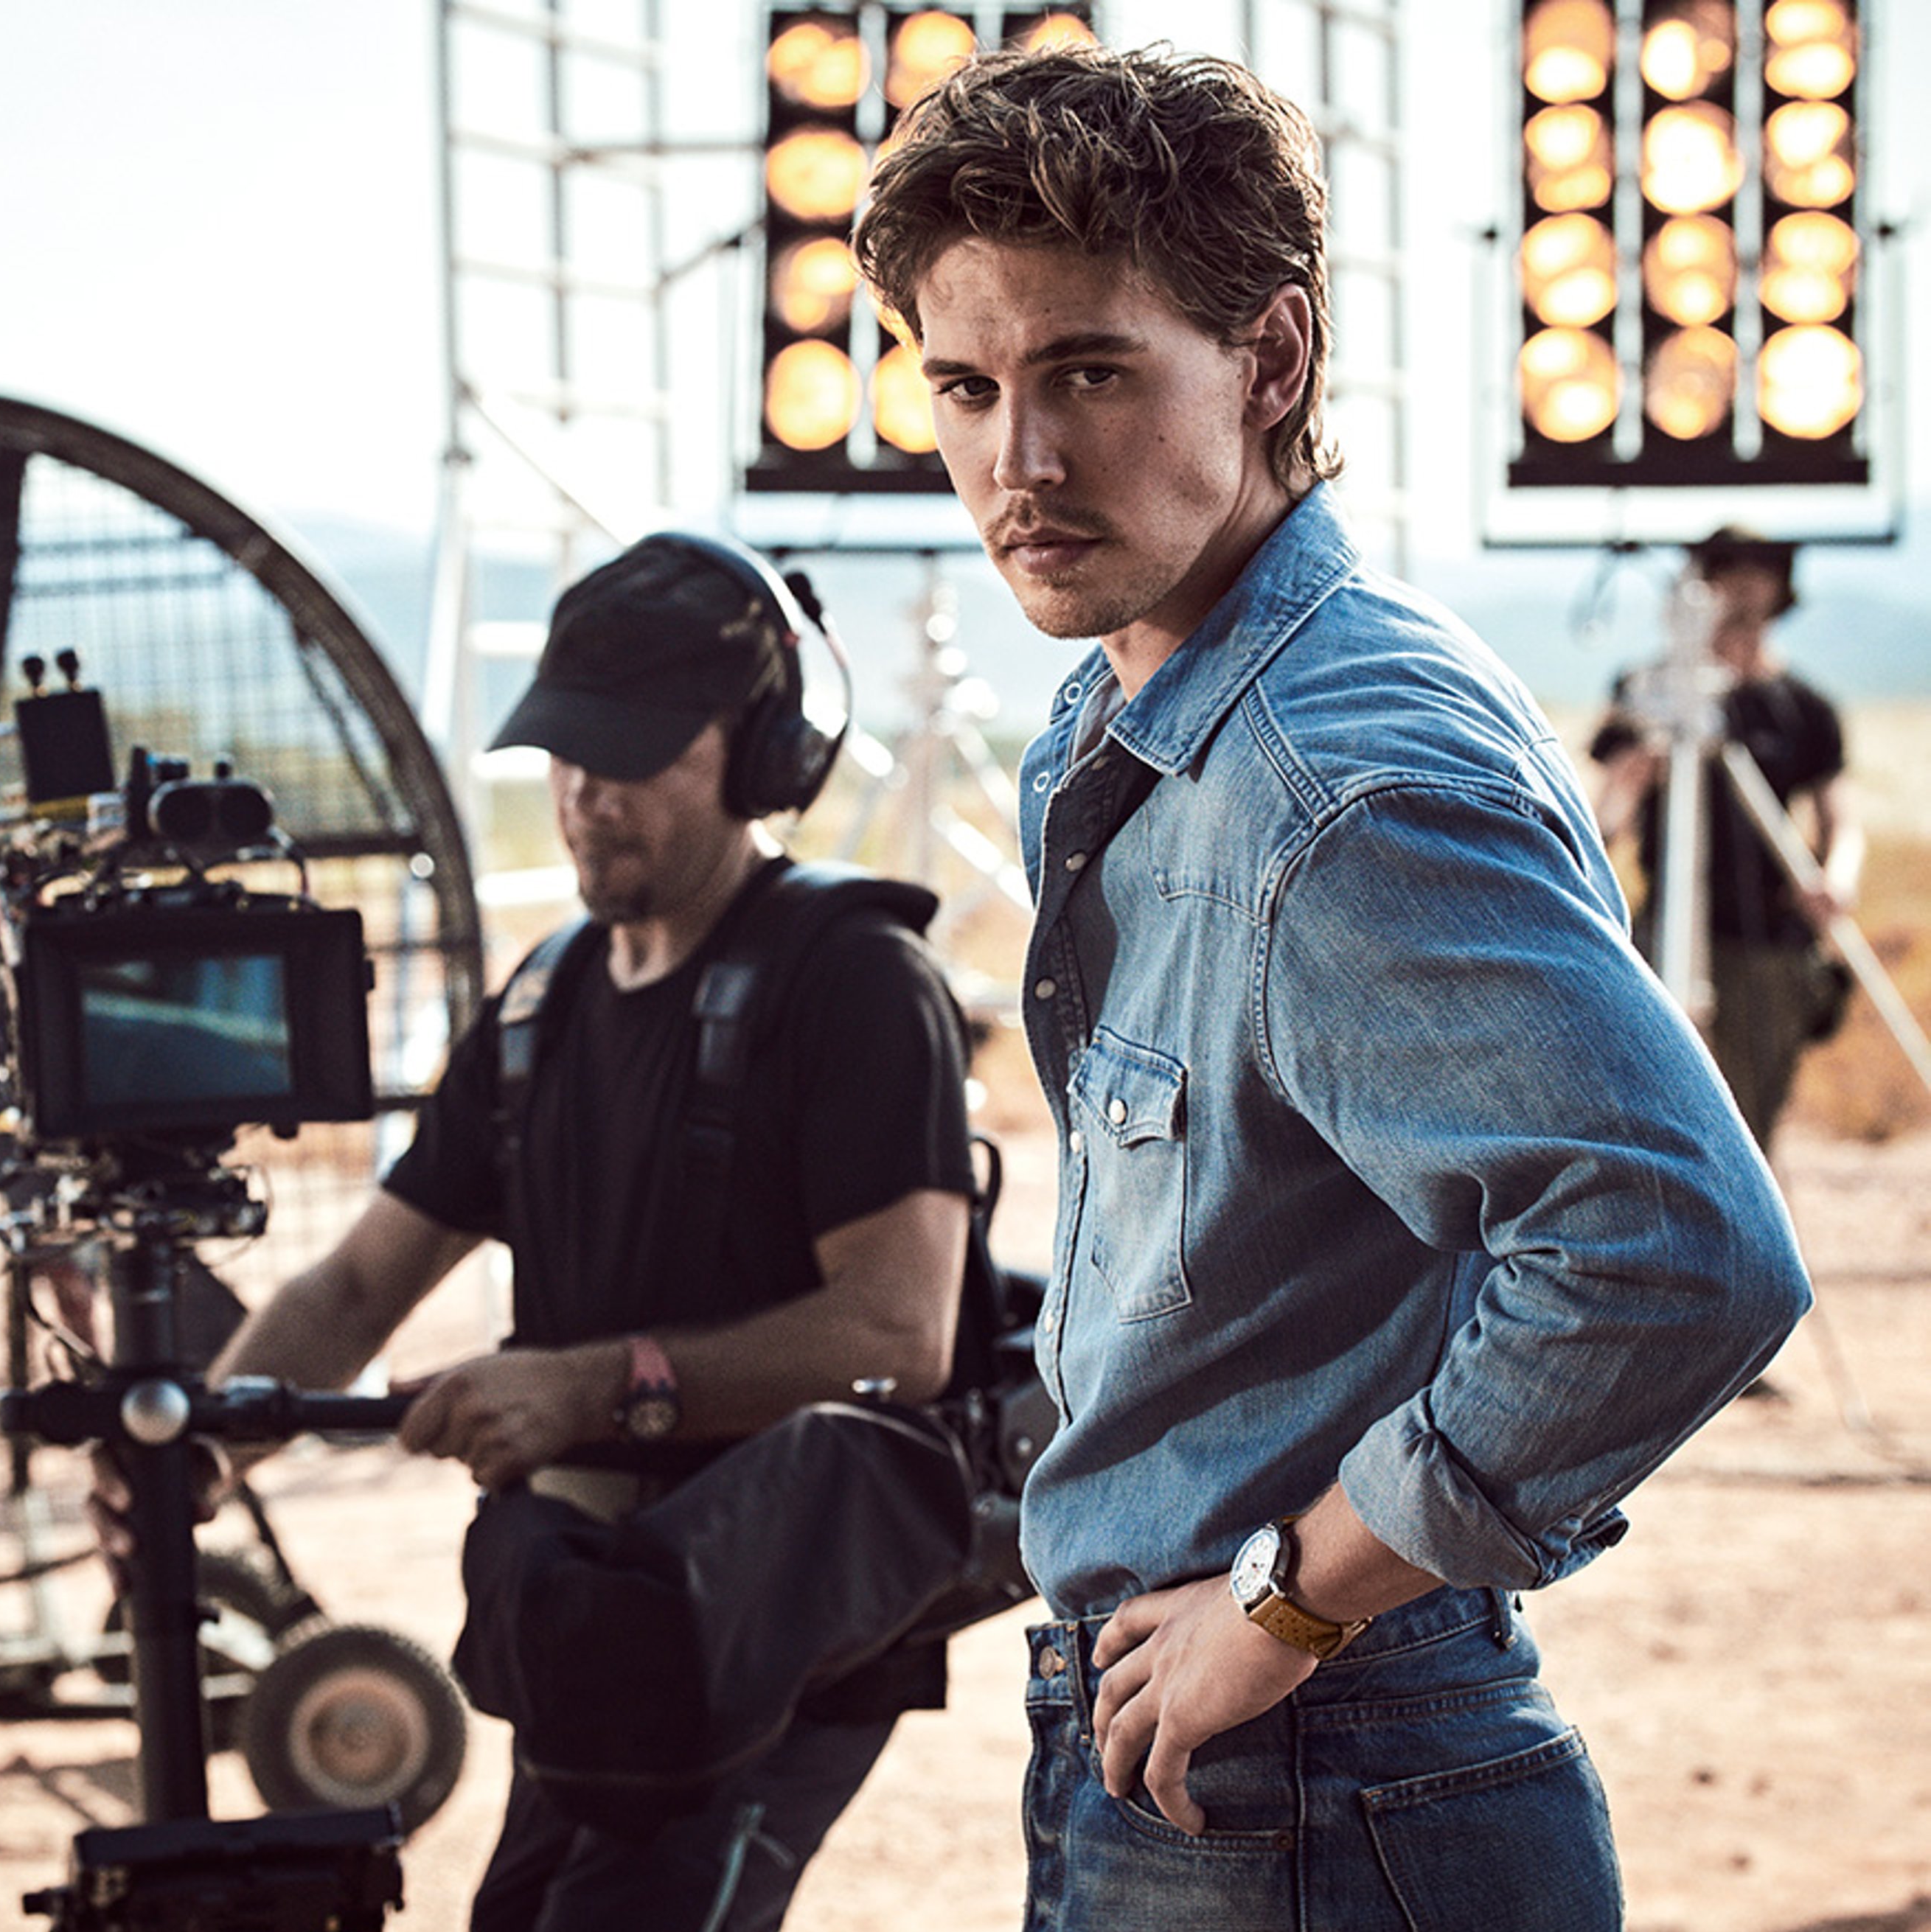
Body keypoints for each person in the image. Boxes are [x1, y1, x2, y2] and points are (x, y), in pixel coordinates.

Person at [850, 42, 1810, 1932]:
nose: (1014, 465)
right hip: (1220, 1748)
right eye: (966, 389)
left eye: (1089, 374)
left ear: (1271, 361)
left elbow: (1674, 1248)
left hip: (1320, 1775)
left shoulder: (1334, 775)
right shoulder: (1130, 718)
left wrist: (1287, 1598)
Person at [92, 531, 978, 1932]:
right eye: (567, 755)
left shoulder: (857, 981)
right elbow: (363, 1276)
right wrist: (200, 1447)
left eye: (631, 757)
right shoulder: (542, 1007)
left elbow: (899, 1329)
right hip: (599, 1621)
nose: (585, 797)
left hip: (767, 1617)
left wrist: (582, 1386)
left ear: (764, 756)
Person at [1588, 526, 1864, 1151]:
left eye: (1755, 578)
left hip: (1765, 943)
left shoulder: (1802, 705)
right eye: (1724, 576)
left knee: (1747, 1129)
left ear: (1778, 592)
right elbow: (1607, 806)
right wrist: (1626, 789)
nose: (1739, 594)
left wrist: (1835, 879)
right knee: (1659, 1114)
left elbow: (1839, 816)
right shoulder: (1648, 692)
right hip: (1670, 927)